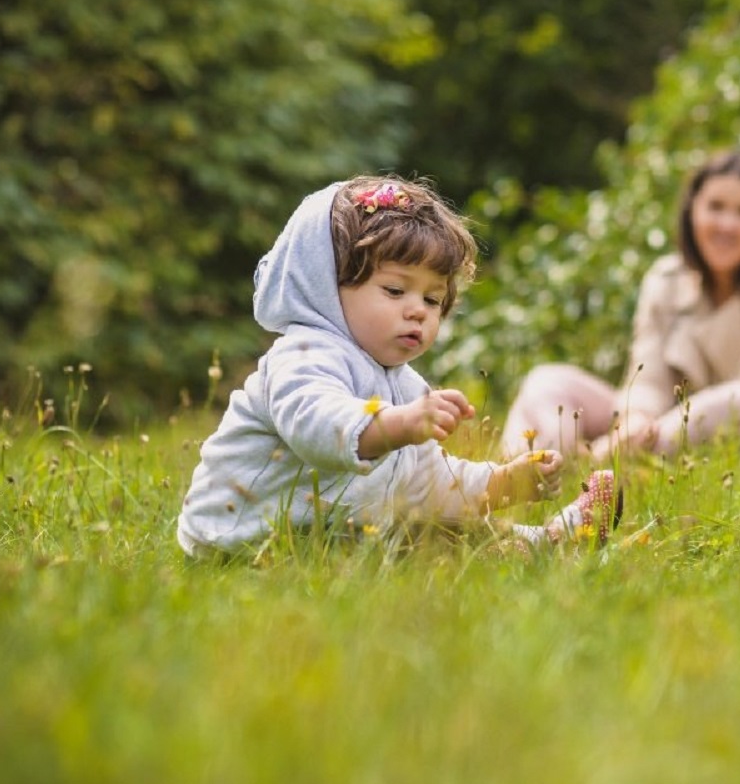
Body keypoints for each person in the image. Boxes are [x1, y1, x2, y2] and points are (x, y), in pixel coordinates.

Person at [177, 175, 617, 558]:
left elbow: (423, 481)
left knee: (428, 527)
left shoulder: (404, 386)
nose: (418, 311)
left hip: (339, 539)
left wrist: (502, 484)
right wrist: (395, 425)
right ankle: (540, 546)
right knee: (422, 540)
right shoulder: (304, 354)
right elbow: (315, 424)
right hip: (242, 539)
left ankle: (547, 542)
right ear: (326, 285)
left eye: (431, 299)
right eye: (394, 290)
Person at [501, 150, 740, 459]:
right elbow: (647, 375)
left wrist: (627, 440)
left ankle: (599, 466)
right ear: (693, 212)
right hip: (671, 438)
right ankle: (536, 478)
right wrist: (637, 418)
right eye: (715, 207)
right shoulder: (666, 278)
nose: (727, 224)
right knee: (545, 382)